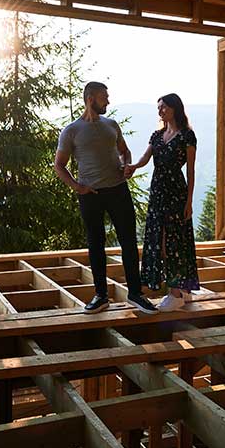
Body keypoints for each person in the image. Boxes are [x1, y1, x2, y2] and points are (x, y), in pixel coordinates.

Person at [54, 82, 158, 314]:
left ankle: (135, 294)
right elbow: (59, 166)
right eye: (104, 97)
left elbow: (125, 151)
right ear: (90, 99)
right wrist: (76, 187)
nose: (108, 102)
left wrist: (125, 165)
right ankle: (101, 296)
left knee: (129, 242)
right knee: (96, 244)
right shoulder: (71, 130)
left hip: (119, 190)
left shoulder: (112, 125)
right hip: (91, 194)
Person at [124, 93, 199, 312]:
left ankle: (176, 293)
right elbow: (145, 159)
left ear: (175, 108)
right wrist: (132, 167)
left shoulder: (187, 135)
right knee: (161, 241)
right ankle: (179, 290)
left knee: (174, 241)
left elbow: (191, 170)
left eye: (164, 107)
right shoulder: (157, 135)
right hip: (157, 193)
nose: (160, 111)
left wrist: (189, 201)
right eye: (158, 107)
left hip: (177, 193)